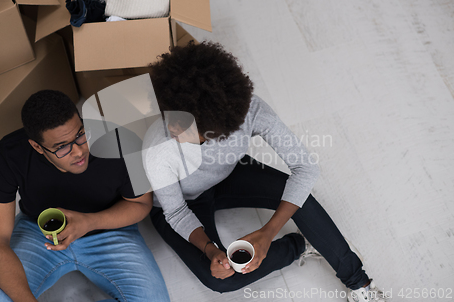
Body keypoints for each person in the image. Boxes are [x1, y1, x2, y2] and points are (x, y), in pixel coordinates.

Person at [142, 41, 388, 302]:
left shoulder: (249, 111)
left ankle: (360, 284)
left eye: (185, 126)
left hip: (227, 176)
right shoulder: (158, 149)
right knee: (222, 280)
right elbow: (176, 212)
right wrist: (210, 250)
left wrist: (267, 232)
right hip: (182, 204)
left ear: (217, 127)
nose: (172, 128)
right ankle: (299, 245)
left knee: (299, 195)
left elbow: (305, 168)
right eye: (170, 116)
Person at [0, 90, 170, 302]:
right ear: (37, 147)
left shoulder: (121, 140)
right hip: (38, 230)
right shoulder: (7, 155)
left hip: (108, 227)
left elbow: (141, 202)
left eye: (80, 135)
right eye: (62, 147)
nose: (79, 151)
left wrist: (89, 222)